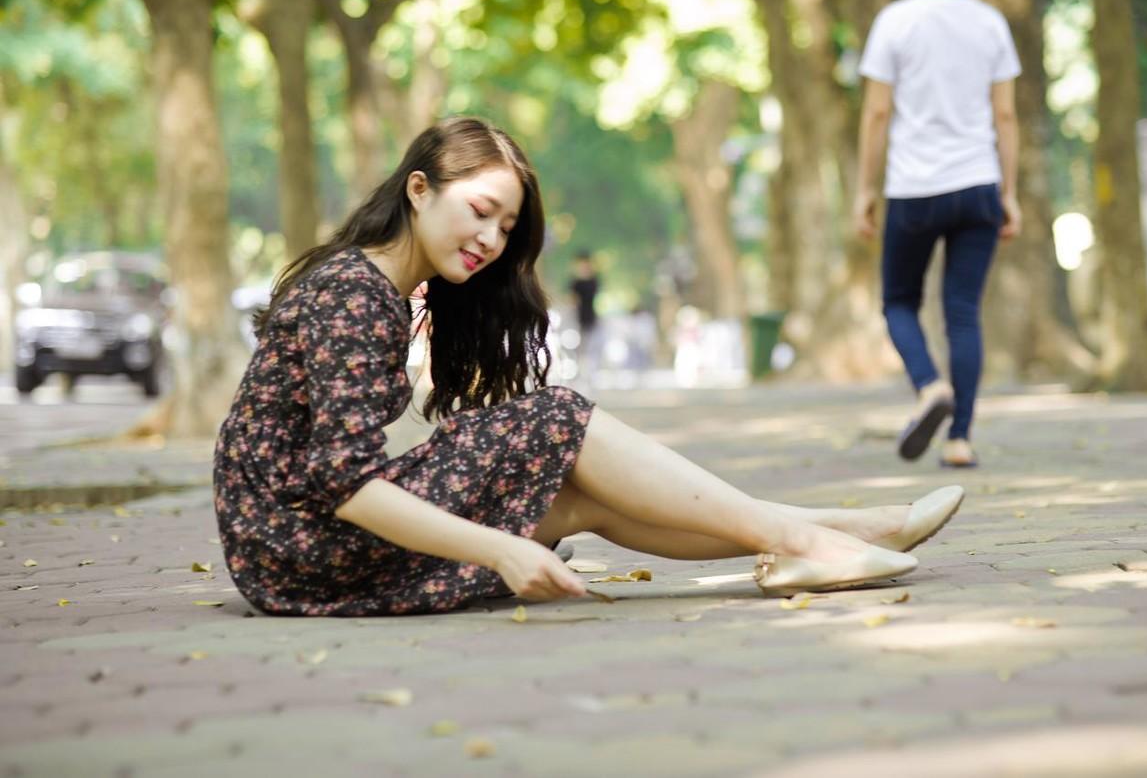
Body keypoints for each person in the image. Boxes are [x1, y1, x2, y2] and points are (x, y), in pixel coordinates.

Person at [213, 116, 966, 617]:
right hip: (300, 548)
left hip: (287, 553)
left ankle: (824, 536)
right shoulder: (355, 290)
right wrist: (501, 548)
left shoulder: (390, 290)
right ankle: (819, 537)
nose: (491, 240)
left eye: (506, 228)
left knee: (581, 497)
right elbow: (344, 482)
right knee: (557, 417)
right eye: (479, 210)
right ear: (418, 189)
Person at [852, 0, 1022, 469]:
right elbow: (1006, 116)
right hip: (977, 186)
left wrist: (864, 189)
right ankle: (960, 438)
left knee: (899, 301)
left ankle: (929, 387)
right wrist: (1009, 192)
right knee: (963, 313)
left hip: (915, 189)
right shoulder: (990, 21)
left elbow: (878, 113)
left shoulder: (896, 21)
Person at [567, 251, 601, 384]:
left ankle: (590, 373)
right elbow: (571, 299)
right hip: (576, 319)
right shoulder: (574, 281)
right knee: (578, 347)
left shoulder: (594, 280)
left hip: (590, 317)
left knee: (591, 347)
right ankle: (578, 372)